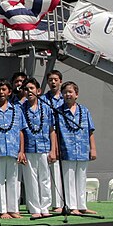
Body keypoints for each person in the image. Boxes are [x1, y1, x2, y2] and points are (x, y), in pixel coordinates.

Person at [0, 78, 26, 219]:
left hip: (14, 150)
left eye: (4, 89)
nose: (1, 92)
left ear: (9, 92)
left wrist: (21, 151)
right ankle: (2, 209)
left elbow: (21, 130)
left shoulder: (17, 109)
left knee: (13, 180)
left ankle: (13, 209)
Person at [56, 81, 97, 215]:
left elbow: (90, 131)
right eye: (65, 92)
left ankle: (82, 205)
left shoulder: (84, 110)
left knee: (81, 178)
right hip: (67, 149)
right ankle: (72, 206)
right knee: (69, 179)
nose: (68, 94)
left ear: (76, 94)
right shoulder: (59, 112)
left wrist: (93, 148)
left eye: (70, 92)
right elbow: (54, 132)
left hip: (83, 149)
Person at [20, 78, 56, 219]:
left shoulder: (46, 107)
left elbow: (52, 129)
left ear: (38, 91)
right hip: (29, 148)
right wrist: (21, 150)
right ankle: (35, 208)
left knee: (45, 179)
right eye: (26, 89)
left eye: (31, 88)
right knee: (31, 180)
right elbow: (21, 131)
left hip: (44, 147)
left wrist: (53, 150)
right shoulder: (21, 108)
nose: (29, 92)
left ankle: (45, 207)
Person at [43, 69, 65, 210]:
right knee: (49, 172)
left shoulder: (65, 98)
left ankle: (62, 203)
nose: (53, 82)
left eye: (55, 79)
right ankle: (52, 204)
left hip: (65, 136)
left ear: (60, 81)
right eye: (50, 80)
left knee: (62, 172)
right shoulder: (44, 100)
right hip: (49, 135)